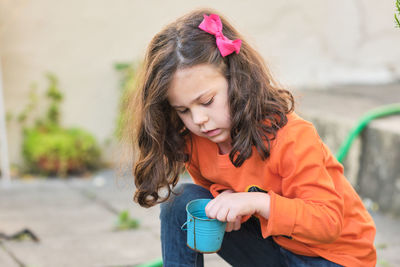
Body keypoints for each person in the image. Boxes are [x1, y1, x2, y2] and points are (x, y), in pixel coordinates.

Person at [128, 8, 376, 267]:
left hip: (334, 258)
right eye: (183, 110)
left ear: (236, 80)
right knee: (180, 201)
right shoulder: (195, 141)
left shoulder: (291, 136)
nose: (199, 119)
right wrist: (225, 198)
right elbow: (212, 184)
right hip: (276, 249)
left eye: (207, 101)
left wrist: (256, 202)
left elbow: (328, 223)